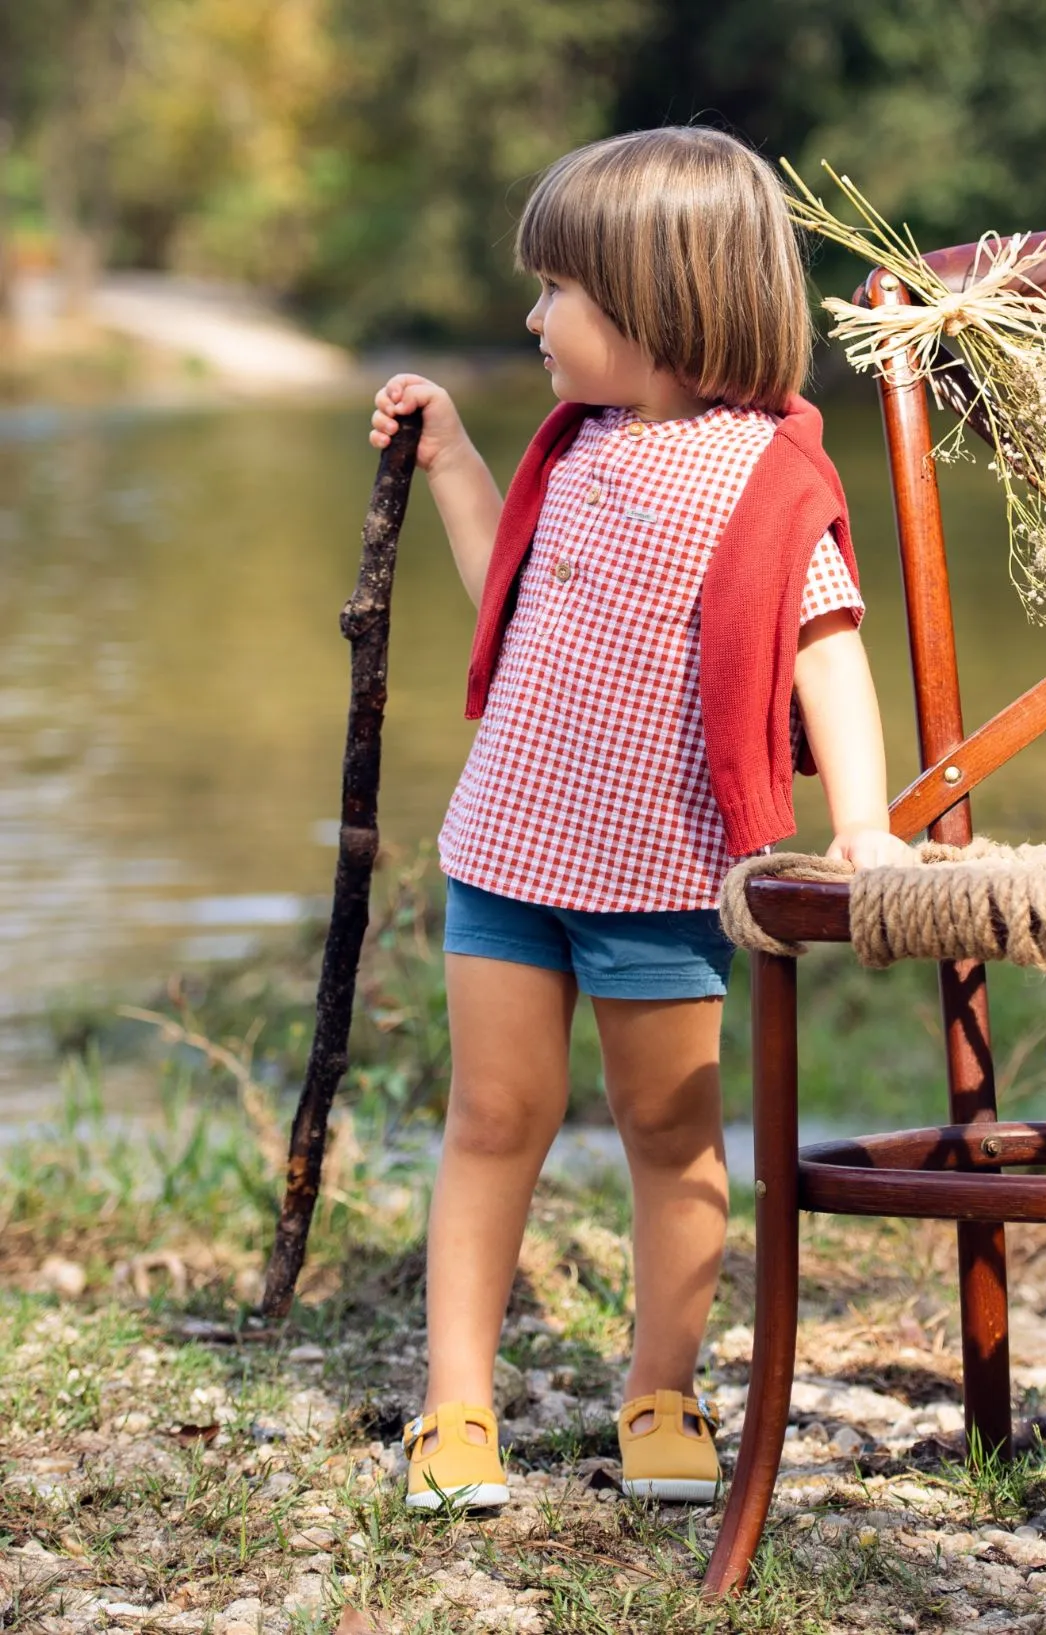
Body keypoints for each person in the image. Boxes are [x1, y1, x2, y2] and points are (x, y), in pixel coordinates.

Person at [369, 125, 909, 1513]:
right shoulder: (575, 450)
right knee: (492, 1116)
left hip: (664, 868)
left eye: (557, 292)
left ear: (662, 306)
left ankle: (662, 1390)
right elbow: (511, 594)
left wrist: (863, 825)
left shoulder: (766, 479)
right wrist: (448, 460)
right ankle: (455, 1408)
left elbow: (826, 647)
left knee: (671, 1135)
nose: (532, 317)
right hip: (509, 850)